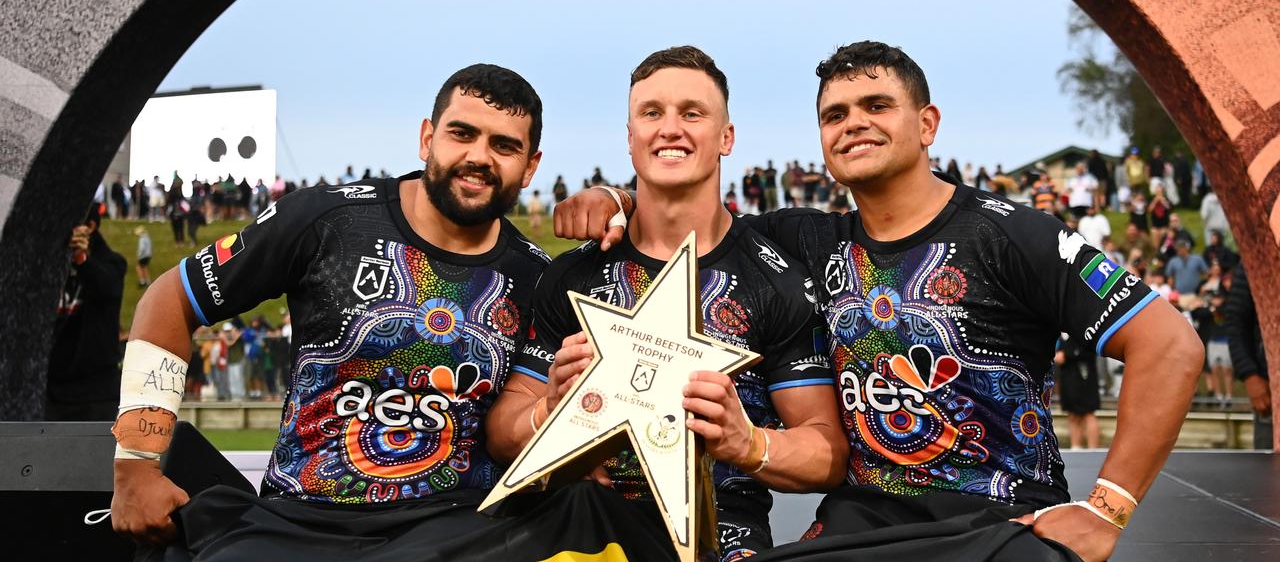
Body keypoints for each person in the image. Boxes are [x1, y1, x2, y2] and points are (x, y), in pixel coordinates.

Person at [558, 41, 1203, 562]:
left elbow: (1169, 344)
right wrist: (615, 197)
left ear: (927, 124)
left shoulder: (1013, 233)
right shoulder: (801, 240)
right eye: (835, 115)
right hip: (860, 526)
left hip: (1000, 527)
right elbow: (687, 209)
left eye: (877, 105)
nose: (854, 124)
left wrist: (1107, 509)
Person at [110, 64, 550, 556]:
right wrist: (136, 465)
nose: (478, 157)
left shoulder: (540, 278)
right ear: (427, 138)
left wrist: (617, 201)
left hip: (456, 529)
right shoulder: (324, 218)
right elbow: (171, 298)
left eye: (504, 146)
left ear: (530, 167)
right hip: (297, 520)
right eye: (461, 134)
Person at [490, 46, 846, 560]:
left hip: (718, 532)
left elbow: (828, 451)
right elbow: (504, 432)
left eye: (692, 113)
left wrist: (746, 441)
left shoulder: (776, 280)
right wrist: (548, 410)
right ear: (631, 137)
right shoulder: (575, 273)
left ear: (726, 138)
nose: (670, 128)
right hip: (581, 523)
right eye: (651, 113)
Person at [46, 202, 127, 420]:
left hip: (97, 392)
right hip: (53, 390)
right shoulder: (46, 264)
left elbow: (106, 287)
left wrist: (81, 259)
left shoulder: (112, 262)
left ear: (90, 226)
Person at [1223, 264, 1273, 449]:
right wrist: (1249, 374)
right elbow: (1235, 321)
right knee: (1269, 471)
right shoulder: (1255, 260)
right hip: (1270, 394)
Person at [1056, 332, 1101, 448]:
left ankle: (1093, 449)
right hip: (1068, 378)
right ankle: (1076, 447)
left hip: (1084, 377)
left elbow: (1086, 351)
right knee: (1072, 414)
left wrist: (1066, 354)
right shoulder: (1063, 334)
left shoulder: (1083, 330)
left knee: (1088, 413)